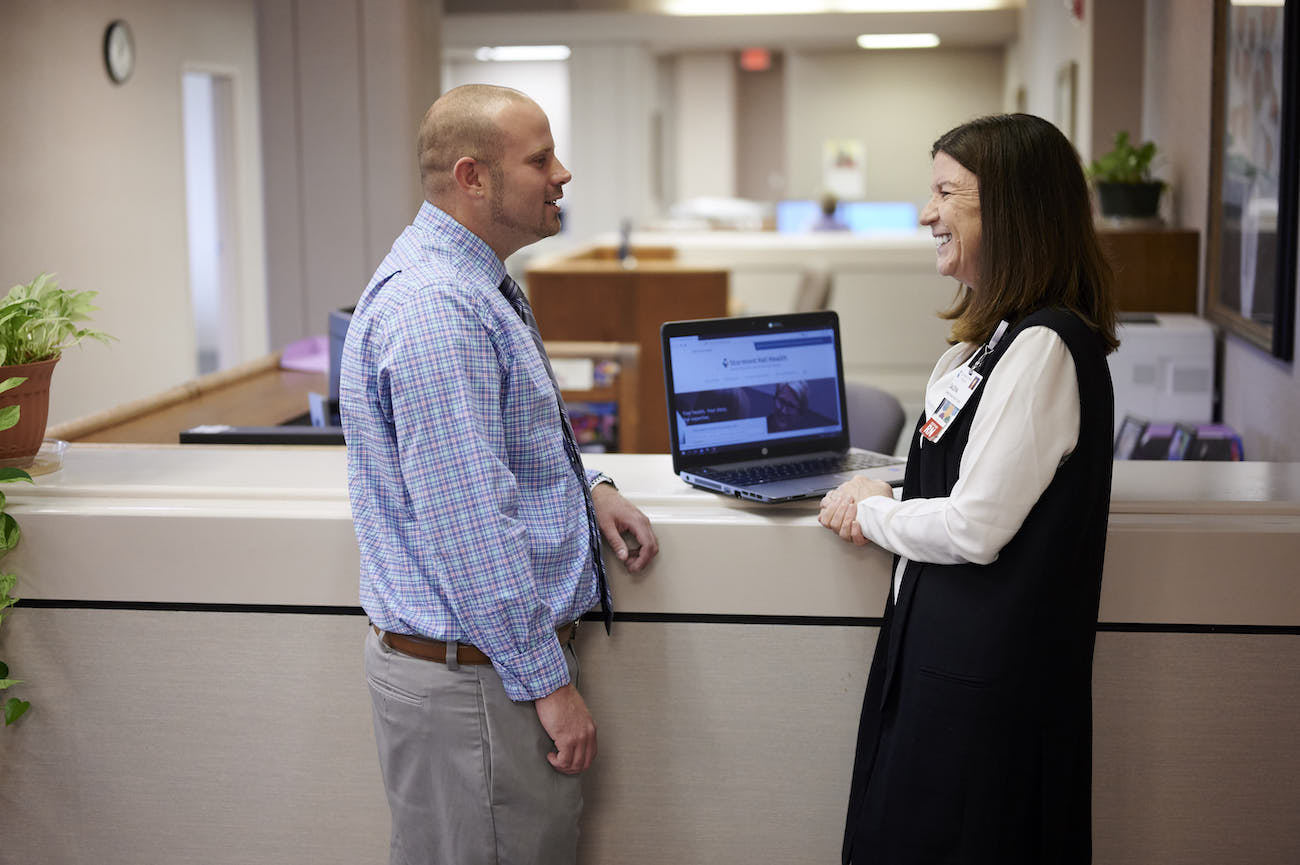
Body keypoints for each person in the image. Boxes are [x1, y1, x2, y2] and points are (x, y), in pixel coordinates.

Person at [340, 84, 659, 865]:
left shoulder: (473, 283)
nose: (563, 174)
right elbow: (469, 528)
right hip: (482, 686)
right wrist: (549, 684)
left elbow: (496, 451)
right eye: (540, 158)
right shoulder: (437, 311)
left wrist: (591, 490)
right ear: (472, 177)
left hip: (485, 674)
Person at [818, 113, 1118, 864]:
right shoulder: (992, 341)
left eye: (947, 193)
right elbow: (968, 469)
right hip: (945, 662)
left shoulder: (1047, 345)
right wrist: (880, 479)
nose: (927, 213)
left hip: (988, 684)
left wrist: (877, 511)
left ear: (1012, 211)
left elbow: (977, 523)